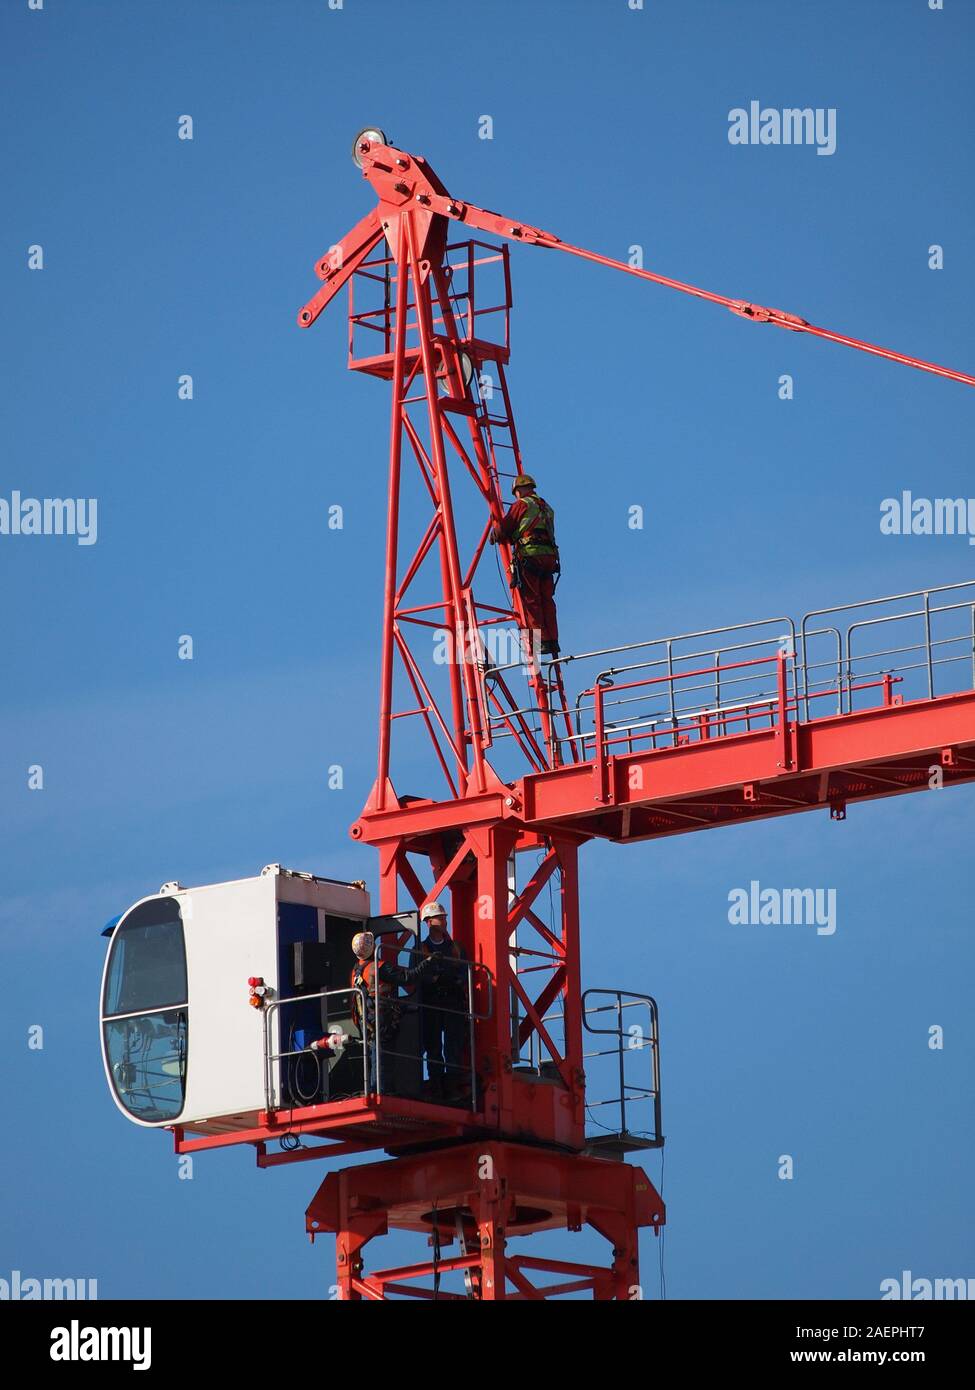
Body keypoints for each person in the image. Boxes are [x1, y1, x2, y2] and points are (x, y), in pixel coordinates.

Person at [349, 930, 431, 1096]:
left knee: (374, 1053)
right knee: (382, 1055)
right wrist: (427, 962)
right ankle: (382, 1092)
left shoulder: (356, 970)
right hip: (382, 1019)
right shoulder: (379, 967)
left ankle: (374, 1089)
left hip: (366, 1019)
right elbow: (408, 977)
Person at [491, 473, 561, 658]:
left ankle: (539, 643)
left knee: (531, 601)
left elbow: (507, 526)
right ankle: (552, 641)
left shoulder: (522, 505)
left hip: (531, 556)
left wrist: (496, 534)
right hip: (548, 558)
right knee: (547, 601)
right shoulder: (546, 507)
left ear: (519, 490)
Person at [417, 902, 469, 1103]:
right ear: (429, 922)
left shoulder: (455, 948)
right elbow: (417, 976)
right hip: (431, 1003)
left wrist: (452, 979)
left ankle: (452, 1086)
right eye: (441, 917)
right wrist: (434, 979)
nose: (445, 920)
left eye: (445, 917)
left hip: (452, 1002)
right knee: (434, 1047)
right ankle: (437, 1086)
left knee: (452, 1046)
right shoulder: (421, 949)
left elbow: (464, 973)